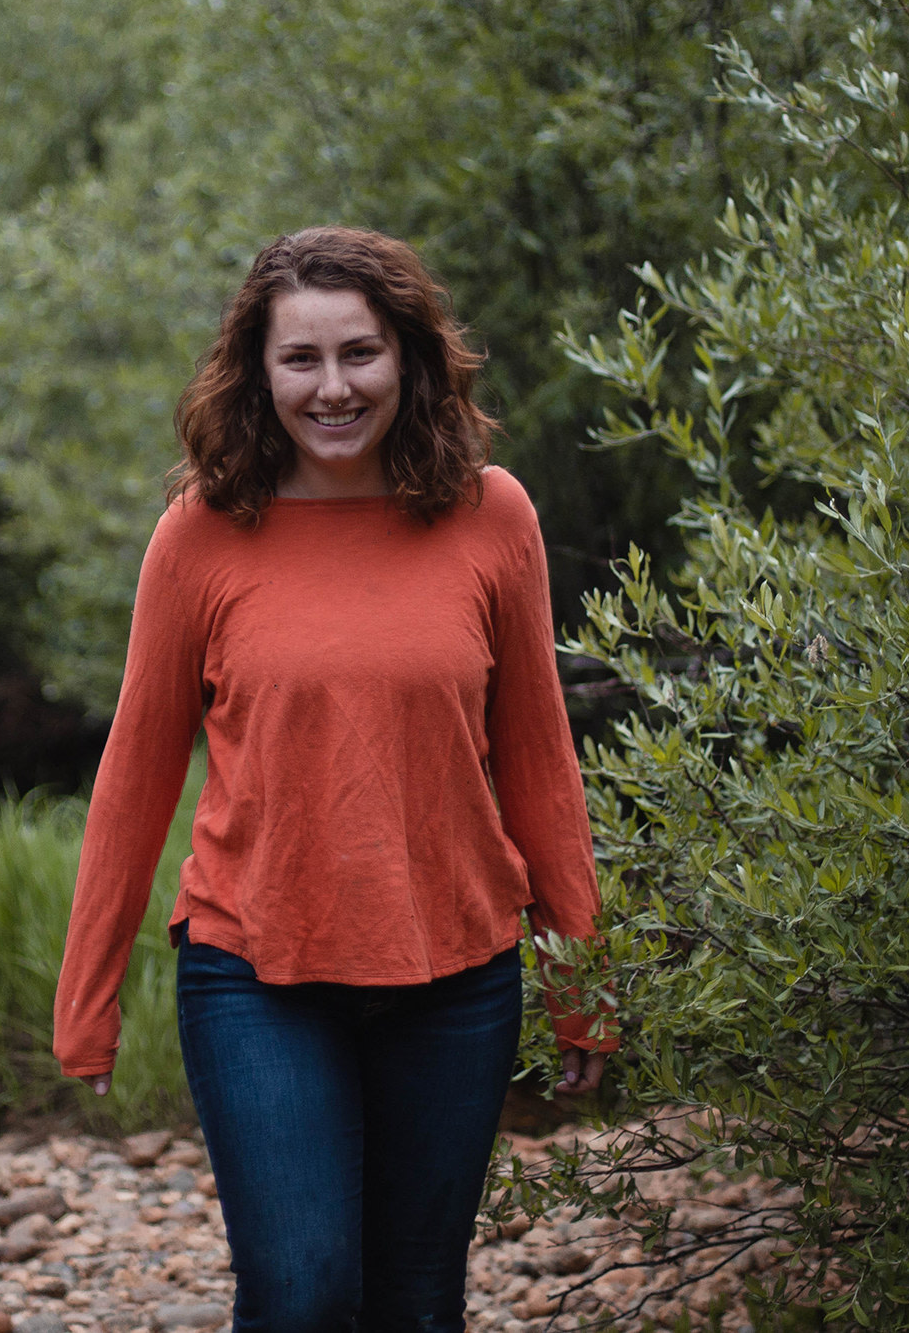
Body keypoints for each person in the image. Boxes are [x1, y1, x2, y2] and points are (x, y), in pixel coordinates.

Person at [54, 226, 613, 1333]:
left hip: (454, 972)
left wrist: (579, 973)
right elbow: (138, 771)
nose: (333, 387)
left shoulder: (492, 514)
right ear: (257, 374)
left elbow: (540, 759)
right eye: (299, 359)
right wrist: (89, 993)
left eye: (358, 353)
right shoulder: (202, 534)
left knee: (414, 1304)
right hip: (256, 971)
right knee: (302, 1293)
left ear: (407, 356)